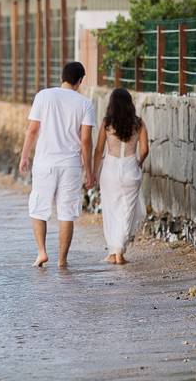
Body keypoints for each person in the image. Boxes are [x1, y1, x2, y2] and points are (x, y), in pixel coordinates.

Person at [18, 61, 96, 268]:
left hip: (44, 163)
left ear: (62, 77)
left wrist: (24, 156)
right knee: (67, 213)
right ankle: (62, 261)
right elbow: (86, 140)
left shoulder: (43, 96)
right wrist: (89, 171)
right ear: (80, 81)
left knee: (38, 209)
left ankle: (42, 252)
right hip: (70, 165)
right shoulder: (85, 103)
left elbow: (33, 129)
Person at [93, 87, 149, 265]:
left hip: (110, 169)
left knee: (111, 211)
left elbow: (99, 150)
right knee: (127, 211)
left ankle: (115, 251)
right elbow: (145, 149)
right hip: (130, 167)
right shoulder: (138, 124)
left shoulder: (107, 123)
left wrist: (93, 173)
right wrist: (139, 163)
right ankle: (118, 252)